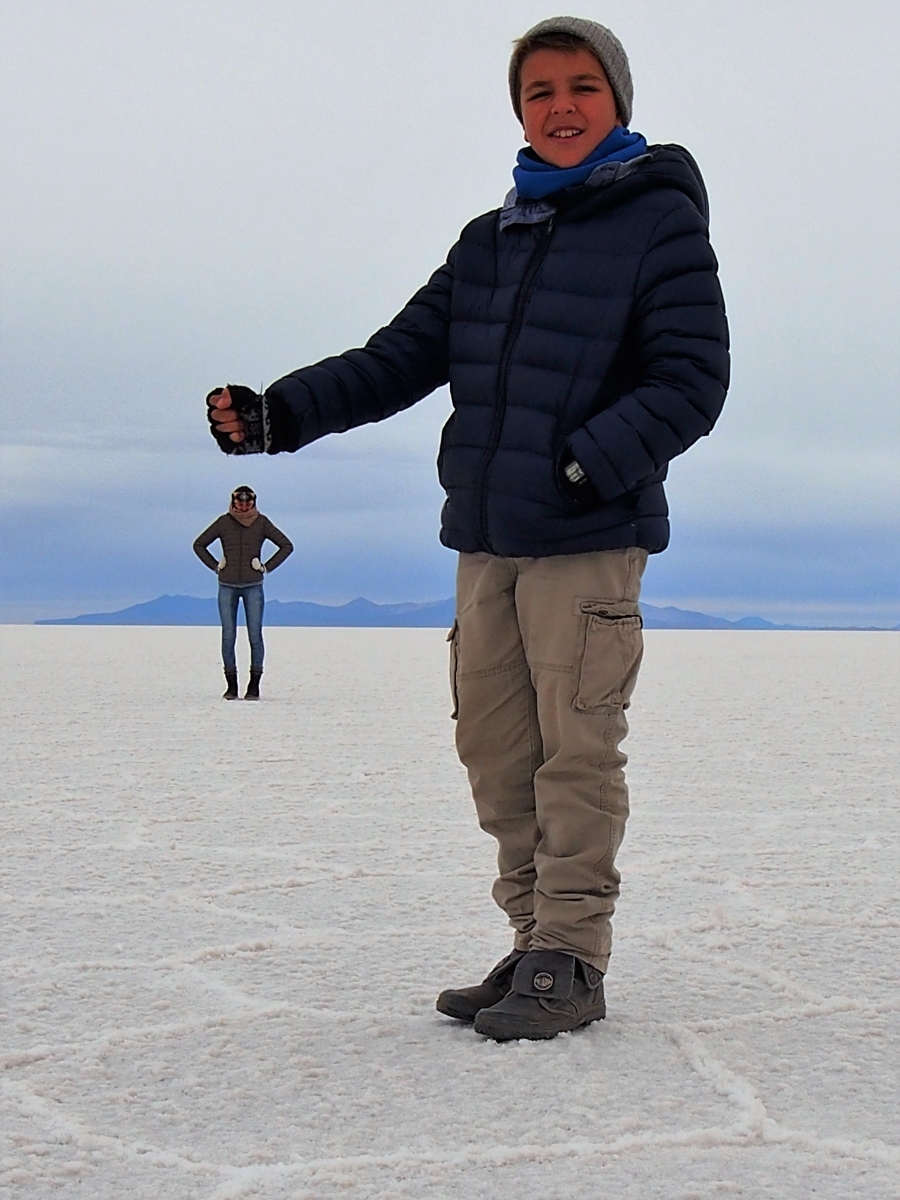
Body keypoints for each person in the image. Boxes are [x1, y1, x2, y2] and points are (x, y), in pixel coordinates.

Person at [205, 16, 729, 1038]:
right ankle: (534, 938)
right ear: (519, 110)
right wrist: (281, 414)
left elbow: (692, 380)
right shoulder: (490, 242)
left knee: (575, 750)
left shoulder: (659, 226)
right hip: (487, 540)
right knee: (495, 750)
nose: (562, 105)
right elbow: (400, 356)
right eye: (540, 91)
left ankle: (571, 958)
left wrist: (584, 462)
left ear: (616, 100)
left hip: (586, 536)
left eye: (582, 86)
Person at [193, 486, 293, 700]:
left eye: (248, 502)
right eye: (240, 501)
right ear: (233, 501)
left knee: (255, 636)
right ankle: (231, 687)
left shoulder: (262, 522)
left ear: (254, 503)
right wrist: (216, 566)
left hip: (253, 585)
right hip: (227, 585)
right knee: (228, 635)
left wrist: (266, 567)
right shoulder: (223, 522)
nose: (244, 505)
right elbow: (199, 544)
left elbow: (286, 545)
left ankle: (254, 687)